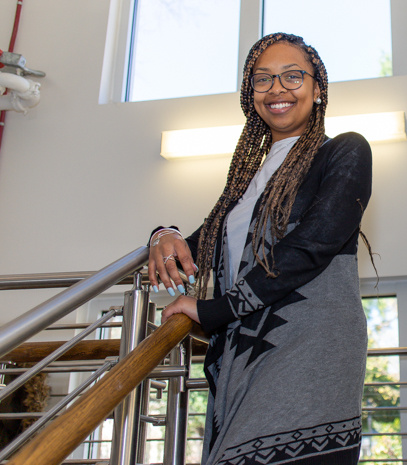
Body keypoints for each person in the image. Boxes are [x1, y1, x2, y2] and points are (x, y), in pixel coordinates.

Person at [148, 32, 372, 465]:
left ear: (317, 88)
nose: (277, 89)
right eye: (263, 79)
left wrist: (215, 310)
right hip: (243, 350)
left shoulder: (344, 151)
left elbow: (312, 245)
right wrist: (161, 234)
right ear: (250, 94)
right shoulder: (247, 182)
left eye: (293, 76)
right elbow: (198, 247)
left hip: (311, 346)